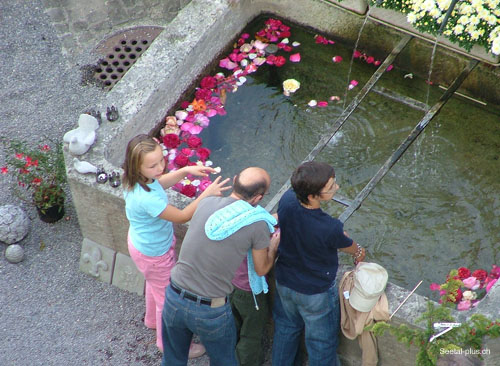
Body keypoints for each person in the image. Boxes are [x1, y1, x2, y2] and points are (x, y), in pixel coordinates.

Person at [122, 134, 230, 356]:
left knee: (155, 285)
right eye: (153, 165)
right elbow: (181, 216)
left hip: (143, 244)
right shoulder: (147, 199)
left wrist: (184, 172)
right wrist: (205, 196)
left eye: (161, 159)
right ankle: (168, 343)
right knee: (168, 300)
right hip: (155, 254)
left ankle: (151, 320)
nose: (160, 167)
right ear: (137, 167)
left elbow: (159, 184)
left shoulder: (137, 181)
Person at [161, 167, 280, 366]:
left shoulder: (206, 203)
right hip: (210, 309)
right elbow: (261, 269)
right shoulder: (257, 224)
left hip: (174, 295)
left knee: (172, 359)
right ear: (258, 198)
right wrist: (273, 248)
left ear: (234, 180)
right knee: (224, 361)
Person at [272, 161, 366, 366]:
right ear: (313, 195)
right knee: (321, 344)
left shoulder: (288, 199)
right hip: (315, 293)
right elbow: (349, 246)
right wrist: (359, 251)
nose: (337, 187)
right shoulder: (330, 227)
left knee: (285, 329)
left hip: (284, 282)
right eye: (331, 186)